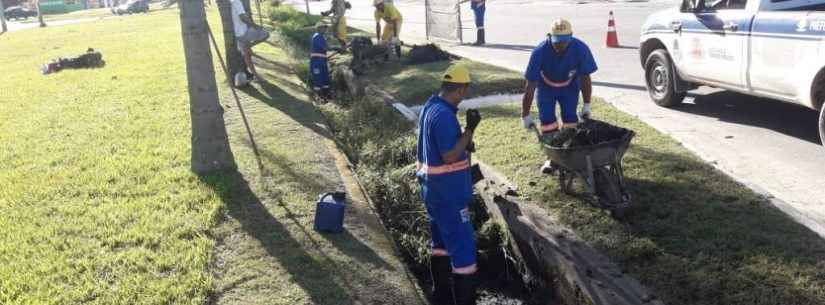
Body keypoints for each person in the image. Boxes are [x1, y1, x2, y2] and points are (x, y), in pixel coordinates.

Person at [417, 64, 482, 305]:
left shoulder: (431, 106)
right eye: (464, 91)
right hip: (448, 195)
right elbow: (449, 156)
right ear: (461, 89)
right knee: (464, 253)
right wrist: (469, 131)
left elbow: (440, 145)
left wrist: (465, 141)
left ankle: (441, 296)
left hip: (433, 191)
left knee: (441, 244)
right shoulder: (444, 116)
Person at [521, 19, 597, 173]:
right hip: (546, 88)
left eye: (564, 42)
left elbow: (585, 78)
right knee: (548, 121)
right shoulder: (539, 52)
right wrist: (525, 114)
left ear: (571, 37)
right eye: (557, 42)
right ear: (549, 36)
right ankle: (553, 158)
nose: (561, 46)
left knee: (570, 120)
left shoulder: (580, 49)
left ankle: (569, 154)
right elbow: (530, 85)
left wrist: (587, 104)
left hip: (569, 87)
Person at [231, 0, 263, 84]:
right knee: (265, 34)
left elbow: (240, 16)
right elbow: (242, 18)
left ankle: (255, 76)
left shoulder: (232, 2)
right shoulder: (237, 2)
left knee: (247, 54)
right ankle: (256, 76)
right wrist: (255, 26)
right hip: (242, 33)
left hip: (240, 32)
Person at [310, 23, 332, 101]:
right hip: (316, 62)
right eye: (323, 28)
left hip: (322, 61)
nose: (325, 30)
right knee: (318, 78)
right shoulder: (317, 36)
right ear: (318, 28)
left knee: (325, 78)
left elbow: (324, 48)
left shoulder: (321, 37)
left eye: (325, 28)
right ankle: (318, 97)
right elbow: (325, 48)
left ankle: (326, 96)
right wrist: (337, 48)